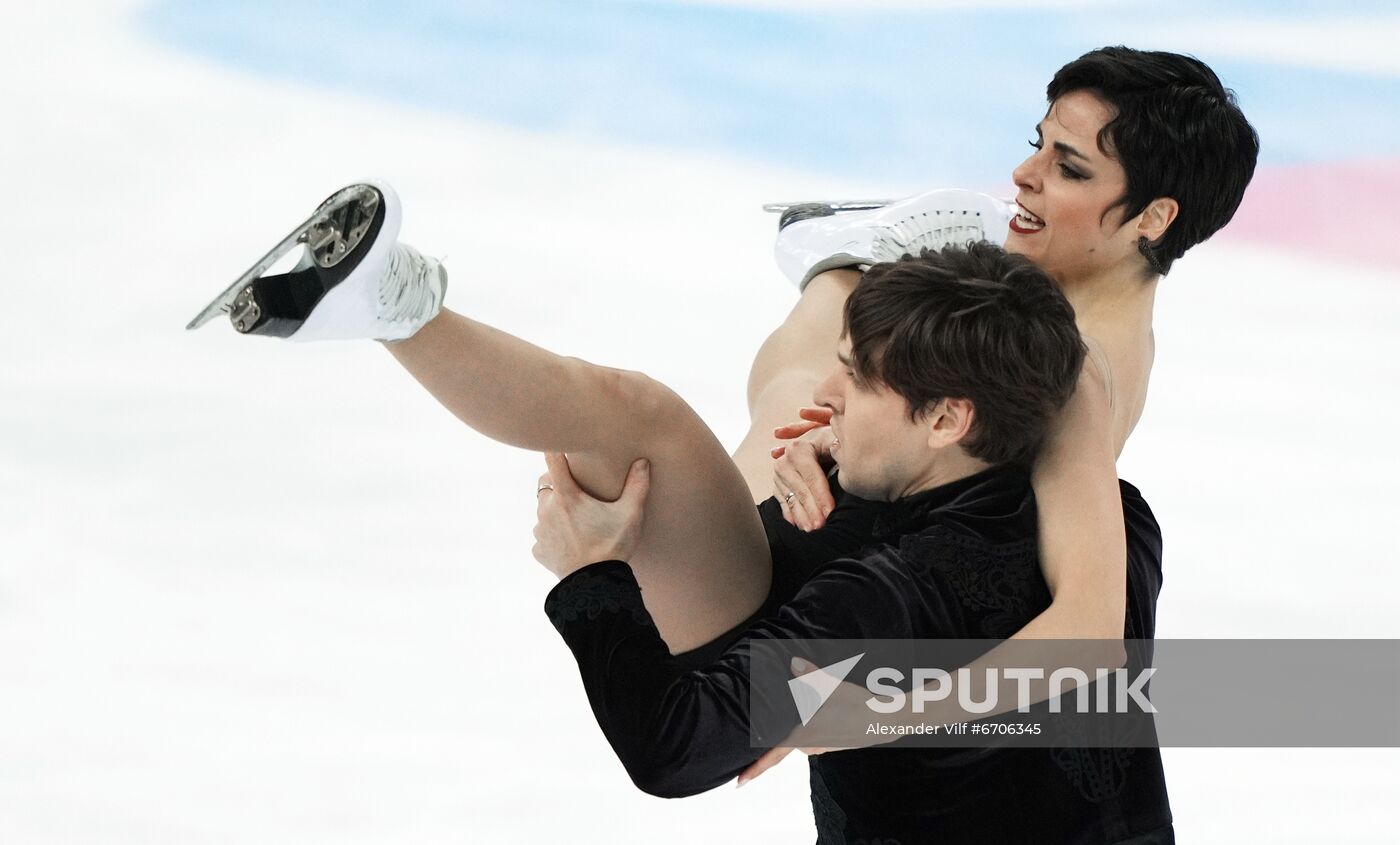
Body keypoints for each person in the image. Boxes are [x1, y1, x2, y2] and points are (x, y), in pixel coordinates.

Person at [531, 244, 1174, 842]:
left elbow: (671, 748)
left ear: (949, 418)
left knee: (757, 411)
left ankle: (831, 263)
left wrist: (590, 577)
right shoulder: (1125, 527)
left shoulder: (879, 590)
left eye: (858, 379)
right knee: (774, 414)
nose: (827, 395)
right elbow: (1080, 390)